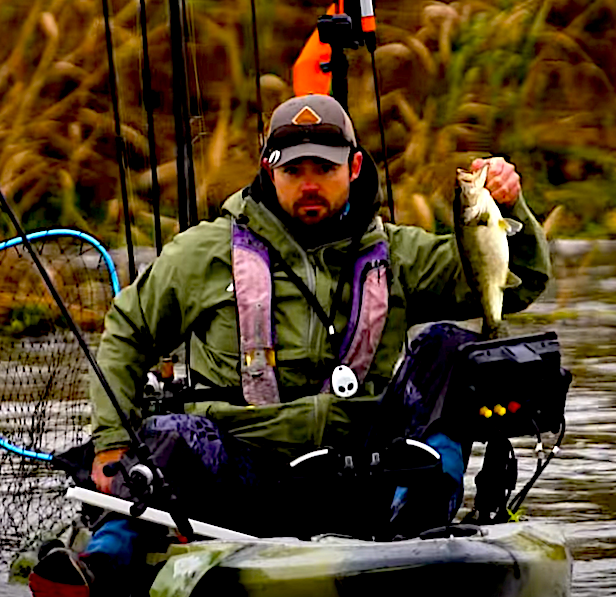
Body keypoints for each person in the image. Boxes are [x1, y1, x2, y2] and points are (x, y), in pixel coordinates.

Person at [29, 94, 551, 596]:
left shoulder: (401, 253)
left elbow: (521, 279)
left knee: (449, 348)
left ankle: (420, 530)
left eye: (323, 170)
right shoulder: (201, 253)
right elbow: (127, 333)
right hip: (246, 481)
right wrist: (111, 445)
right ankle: (99, 566)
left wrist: (511, 207)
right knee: (171, 432)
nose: (308, 185)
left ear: (353, 168)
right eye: (293, 171)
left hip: (368, 475)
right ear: (267, 170)